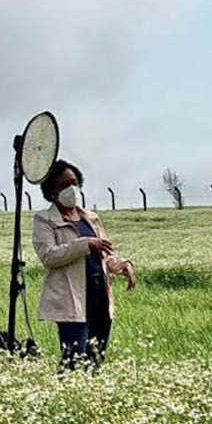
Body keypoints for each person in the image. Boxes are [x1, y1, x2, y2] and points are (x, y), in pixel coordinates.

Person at [32, 159, 137, 371]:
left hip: (99, 294)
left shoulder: (91, 218)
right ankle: (66, 396)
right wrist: (84, 244)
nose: (70, 188)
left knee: (96, 357)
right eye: (63, 185)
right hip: (72, 298)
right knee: (73, 359)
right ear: (51, 192)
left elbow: (105, 253)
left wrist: (122, 265)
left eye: (73, 182)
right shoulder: (45, 220)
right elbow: (49, 256)